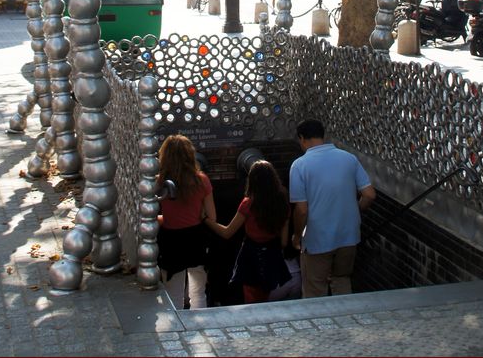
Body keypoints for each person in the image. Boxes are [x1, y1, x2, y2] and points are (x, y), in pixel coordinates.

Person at [289, 118, 375, 299]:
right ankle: (345, 320)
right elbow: (369, 195)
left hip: (316, 239)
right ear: (322, 135)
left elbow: (302, 210)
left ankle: (320, 326)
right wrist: (354, 211)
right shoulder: (348, 158)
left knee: (315, 289)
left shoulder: (300, 165)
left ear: (302, 138)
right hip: (349, 236)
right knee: (342, 281)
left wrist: (297, 236)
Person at [203, 160, 292, 304]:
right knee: (267, 296)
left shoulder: (249, 203)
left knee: (251, 297)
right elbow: (283, 241)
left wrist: (206, 220)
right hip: (272, 253)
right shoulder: (282, 201)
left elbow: (227, 233)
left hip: (251, 254)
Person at [156, 134, 216, 309]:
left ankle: (177, 330)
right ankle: (202, 328)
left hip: (171, 242)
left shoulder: (159, 183)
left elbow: (150, 215)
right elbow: (212, 217)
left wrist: (164, 219)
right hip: (196, 239)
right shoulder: (201, 180)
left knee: (174, 295)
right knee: (198, 292)